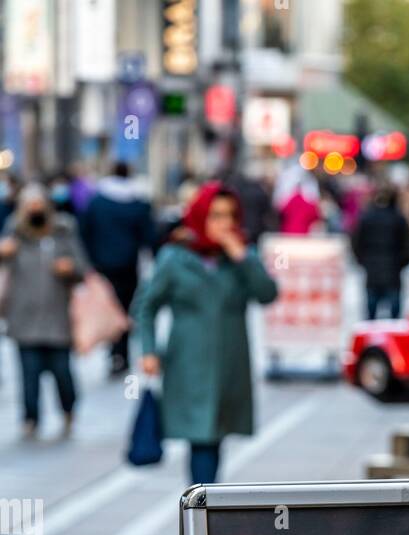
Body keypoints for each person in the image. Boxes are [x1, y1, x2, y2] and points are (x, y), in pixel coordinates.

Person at [132, 182, 278, 485]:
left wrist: (242, 257)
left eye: (229, 216)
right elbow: (146, 306)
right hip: (188, 362)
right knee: (202, 437)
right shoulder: (174, 257)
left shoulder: (241, 257)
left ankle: (205, 506)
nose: (223, 224)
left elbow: (267, 294)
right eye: (215, 215)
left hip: (230, 363)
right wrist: (148, 350)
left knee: (215, 434)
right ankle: (203, 508)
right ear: (200, 216)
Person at [0, 183, 88, 439]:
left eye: (39, 205)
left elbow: (83, 268)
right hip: (23, 318)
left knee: (62, 371)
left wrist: (70, 268)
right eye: (30, 206)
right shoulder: (14, 235)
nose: (35, 210)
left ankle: (69, 410)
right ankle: (31, 418)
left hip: (57, 317)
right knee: (29, 375)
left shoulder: (63, 232)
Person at [81, 161, 156, 375]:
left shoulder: (97, 202)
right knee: (124, 308)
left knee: (109, 307)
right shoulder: (138, 203)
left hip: (102, 265)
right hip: (128, 264)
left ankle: (115, 351)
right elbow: (148, 235)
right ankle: (120, 351)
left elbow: (85, 231)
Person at [351, 183, 409, 320]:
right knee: (394, 321)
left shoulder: (366, 218)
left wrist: (364, 263)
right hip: (393, 272)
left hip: (373, 272)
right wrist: (400, 264)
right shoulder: (398, 219)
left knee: (371, 318)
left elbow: (355, 244)